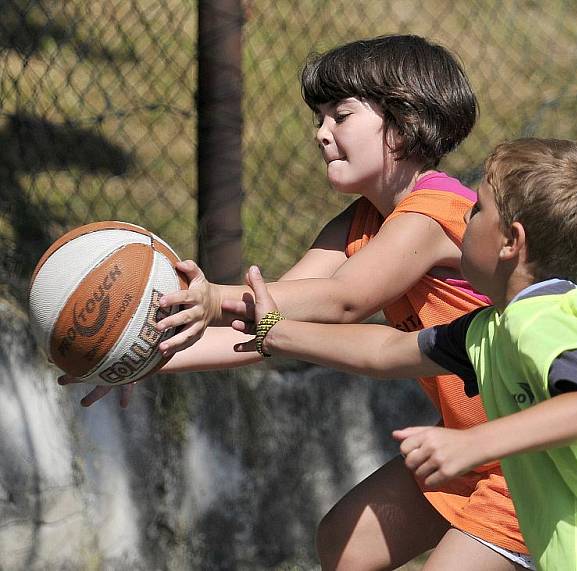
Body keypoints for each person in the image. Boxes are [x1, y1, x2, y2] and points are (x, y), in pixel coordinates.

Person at [61, 35, 532, 570]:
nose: (321, 132)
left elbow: (344, 301)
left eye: (341, 115)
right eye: (319, 116)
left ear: (403, 122)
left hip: (522, 453)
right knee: (344, 544)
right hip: (466, 443)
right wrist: (150, 355)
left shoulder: (438, 209)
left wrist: (213, 298)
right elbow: (271, 325)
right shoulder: (359, 222)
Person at [238, 137, 577, 570]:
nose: (466, 214)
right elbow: (387, 349)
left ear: (511, 242)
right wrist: (275, 331)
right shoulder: (496, 326)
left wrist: (474, 443)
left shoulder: (541, 321)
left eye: (477, 208)